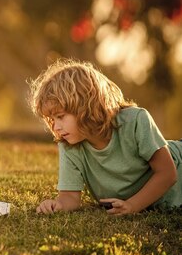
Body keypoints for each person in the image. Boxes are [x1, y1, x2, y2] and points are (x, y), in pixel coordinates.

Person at [28, 58, 181, 215]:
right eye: (52, 120)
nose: (55, 127)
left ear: (85, 107)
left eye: (60, 116)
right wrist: (57, 205)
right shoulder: (69, 144)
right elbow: (69, 197)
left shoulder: (134, 120)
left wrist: (132, 205)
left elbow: (167, 173)